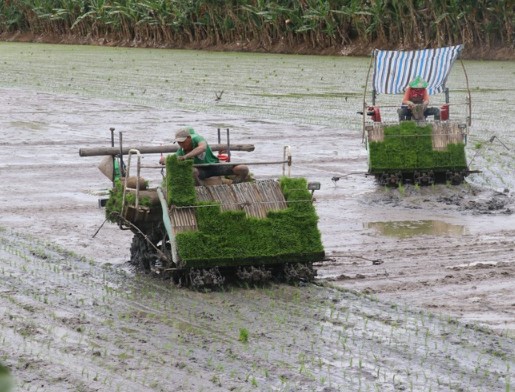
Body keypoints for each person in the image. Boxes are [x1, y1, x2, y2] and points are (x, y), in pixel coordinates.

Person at [160, 128, 249, 185]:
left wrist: (186, 157)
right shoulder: (181, 151)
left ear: (189, 138)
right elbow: (173, 159)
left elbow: (202, 147)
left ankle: (234, 186)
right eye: (179, 142)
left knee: (243, 168)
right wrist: (164, 160)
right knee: (192, 171)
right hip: (200, 171)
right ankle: (201, 189)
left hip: (214, 165)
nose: (181, 144)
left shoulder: (197, 139)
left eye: (183, 141)